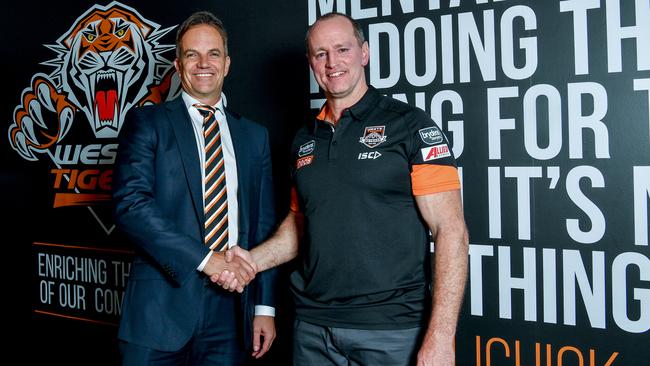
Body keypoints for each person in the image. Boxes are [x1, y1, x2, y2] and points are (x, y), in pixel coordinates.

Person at [214, 12, 469, 366]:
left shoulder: (410, 126)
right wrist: (251, 262)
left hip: (390, 330)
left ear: (363, 53)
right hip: (313, 329)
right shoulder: (305, 140)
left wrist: (441, 336)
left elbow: (451, 231)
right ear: (311, 63)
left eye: (342, 49)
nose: (332, 62)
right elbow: (301, 224)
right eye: (321, 54)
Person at [112, 10, 276, 365]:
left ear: (227, 63)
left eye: (213, 54)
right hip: (159, 312)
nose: (204, 64)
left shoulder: (254, 137)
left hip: (233, 312)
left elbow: (263, 228)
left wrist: (264, 307)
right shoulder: (147, 123)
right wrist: (206, 261)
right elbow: (131, 205)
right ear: (177, 63)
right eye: (192, 54)